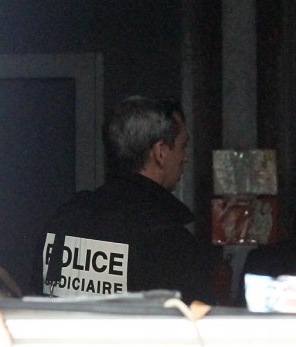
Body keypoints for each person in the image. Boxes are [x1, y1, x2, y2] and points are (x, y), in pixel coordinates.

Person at [39, 95, 216, 305]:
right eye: (182, 147)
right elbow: (195, 328)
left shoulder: (66, 219)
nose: (184, 158)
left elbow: (38, 300)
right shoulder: (169, 241)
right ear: (160, 152)